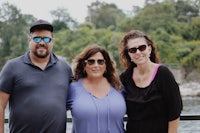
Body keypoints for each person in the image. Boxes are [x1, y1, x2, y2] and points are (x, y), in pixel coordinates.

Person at [0, 19, 73, 133]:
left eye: (47, 39)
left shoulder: (64, 67)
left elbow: (73, 100)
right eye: (37, 38)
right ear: (29, 39)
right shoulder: (12, 67)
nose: (42, 43)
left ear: (53, 40)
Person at [118, 29, 183, 133]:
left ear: (149, 49)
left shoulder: (163, 74)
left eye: (142, 48)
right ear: (128, 54)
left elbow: (175, 110)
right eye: (133, 50)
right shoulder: (125, 78)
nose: (138, 52)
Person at [67, 44, 126, 133]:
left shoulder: (118, 87)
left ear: (106, 64)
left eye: (100, 61)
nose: (96, 65)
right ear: (84, 64)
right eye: (91, 61)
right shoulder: (72, 89)